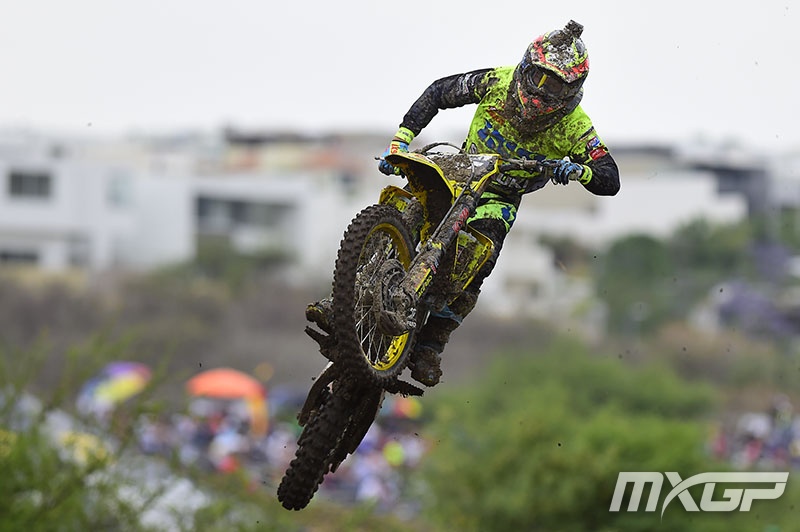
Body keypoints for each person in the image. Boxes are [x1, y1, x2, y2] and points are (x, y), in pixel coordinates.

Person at [310, 20, 619, 387]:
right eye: (538, 77)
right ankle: (343, 300)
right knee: (408, 210)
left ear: (571, 90)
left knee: (483, 258)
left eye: (554, 86)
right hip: (461, 168)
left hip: (500, 196)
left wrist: (581, 171)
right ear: (526, 67)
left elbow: (610, 177)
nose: (541, 90)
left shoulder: (575, 126)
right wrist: (402, 139)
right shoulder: (496, 81)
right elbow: (439, 92)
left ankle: (431, 344)